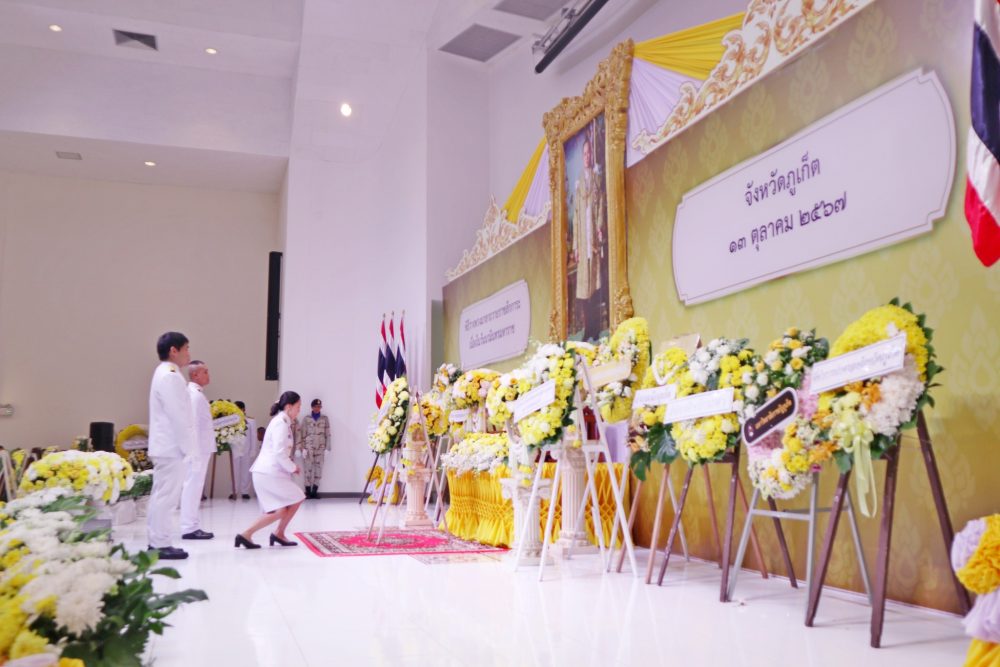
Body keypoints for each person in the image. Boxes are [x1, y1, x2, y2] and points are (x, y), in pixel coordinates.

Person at [147, 331, 196, 560]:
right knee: (166, 498)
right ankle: (160, 543)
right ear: (173, 351)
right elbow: (179, 417)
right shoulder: (170, 376)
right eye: (186, 348)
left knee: (162, 496)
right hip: (171, 447)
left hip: (166, 446)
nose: (189, 354)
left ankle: (157, 541)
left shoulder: (165, 373)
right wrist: (190, 449)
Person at [235, 391, 305, 549]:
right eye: (298, 406)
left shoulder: (282, 421)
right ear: (289, 407)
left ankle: (250, 535)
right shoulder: (281, 423)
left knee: (281, 510)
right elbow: (279, 452)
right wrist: (293, 467)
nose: (299, 410)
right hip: (268, 473)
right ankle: (269, 533)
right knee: (295, 499)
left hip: (269, 473)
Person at [570, 133, 606, 340]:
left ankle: (595, 328)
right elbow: (576, 216)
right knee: (583, 288)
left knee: (595, 284)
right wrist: (576, 246)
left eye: (589, 153)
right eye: (584, 153)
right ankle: (587, 330)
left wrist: (599, 227)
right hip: (583, 241)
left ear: (592, 155)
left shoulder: (596, 178)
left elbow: (600, 205)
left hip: (593, 238)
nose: (587, 156)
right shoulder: (578, 182)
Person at [179, 360, 215, 540]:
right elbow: (192, 425)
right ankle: (189, 527)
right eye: (205, 372)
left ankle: (191, 525)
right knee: (192, 487)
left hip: (200, 448)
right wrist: (193, 451)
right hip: (197, 449)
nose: (208, 374)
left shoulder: (197, 394)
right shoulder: (194, 395)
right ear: (195, 375)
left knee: (195, 486)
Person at [299, 398, 330, 499]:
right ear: (312, 407)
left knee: (318, 469)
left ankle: (314, 492)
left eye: (319, 407)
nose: (317, 408)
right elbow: (302, 434)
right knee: (308, 469)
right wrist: (302, 448)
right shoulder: (306, 419)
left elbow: (328, 434)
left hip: (320, 447)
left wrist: (328, 448)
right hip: (309, 447)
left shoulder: (324, 419)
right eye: (316, 406)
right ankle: (308, 492)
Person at [230, 400, 257, 501]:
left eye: (238, 409)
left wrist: (253, 450)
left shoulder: (251, 421)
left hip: (246, 450)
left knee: (246, 472)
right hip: (235, 450)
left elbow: (253, 436)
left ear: (243, 409)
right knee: (234, 472)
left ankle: (245, 492)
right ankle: (234, 491)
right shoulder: (231, 421)